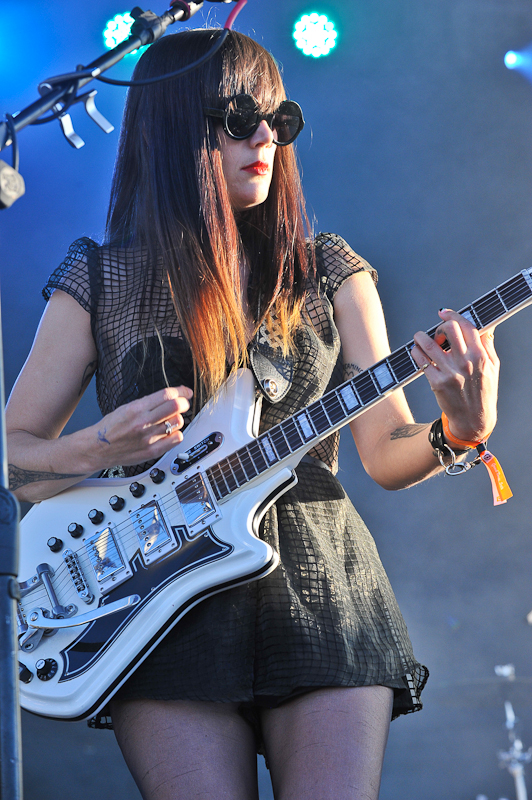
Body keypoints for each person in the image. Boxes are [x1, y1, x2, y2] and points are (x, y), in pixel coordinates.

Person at [6, 29, 499, 800]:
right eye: (238, 118)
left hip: (320, 582)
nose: (267, 137)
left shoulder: (327, 269)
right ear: (174, 125)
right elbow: (14, 453)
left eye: (278, 119)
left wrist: (457, 431)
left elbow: (385, 453)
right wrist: (98, 444)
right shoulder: (100, 279)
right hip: (158, 606)